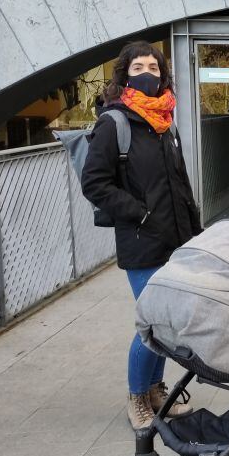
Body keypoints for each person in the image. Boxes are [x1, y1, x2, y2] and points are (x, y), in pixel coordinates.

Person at [81, 41, 203, 430]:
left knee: (169, 323)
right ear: (124, 75)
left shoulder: (165, 122)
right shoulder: (114, 123)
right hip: (142, 239)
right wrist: (141, 212)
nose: (148, 73)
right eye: (139, 68)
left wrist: (195, 231)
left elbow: (179, 182)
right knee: (153, 322)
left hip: (176, 239)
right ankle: (137, 397)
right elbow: (95, 184)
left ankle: (155, 389)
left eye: (154, 66)